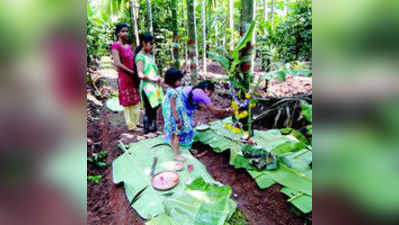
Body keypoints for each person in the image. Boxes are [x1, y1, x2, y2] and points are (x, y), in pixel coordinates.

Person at [111, 23, 141, 131]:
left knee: (136, 99)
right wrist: (131, 72)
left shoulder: (129, 46)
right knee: (127, 102)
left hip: (133, 76)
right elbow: (117, 63)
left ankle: (136, 122)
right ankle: (131, 125)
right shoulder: (115, 46)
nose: (125, 33)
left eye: (127, 31)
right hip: (124, 77)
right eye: (123, 31)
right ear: (118, 33)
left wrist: (137, 72)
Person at [135, 33, 164, 135]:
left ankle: (153, 128)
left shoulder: (150, 56)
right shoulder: (140, 57)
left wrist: (159, 78)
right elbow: (140, 74)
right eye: (150, 43)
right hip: (147, 87)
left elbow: (153, 71)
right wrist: (153, 79)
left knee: (155, 107)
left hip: (154, 86)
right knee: (149, 108)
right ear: (144, 43)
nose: (152, 46)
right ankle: (147, 130)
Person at [162, 68, 191, 162]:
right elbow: (173, 108)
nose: (180, 81)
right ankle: (177, 155)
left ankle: (174, 149)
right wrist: (178, 120)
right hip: (175, 118)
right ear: (172, 81)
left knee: (173, 135)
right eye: (179, 80)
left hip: (174, 117)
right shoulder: (173, 93)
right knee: (177, 135)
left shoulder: (171, 90)